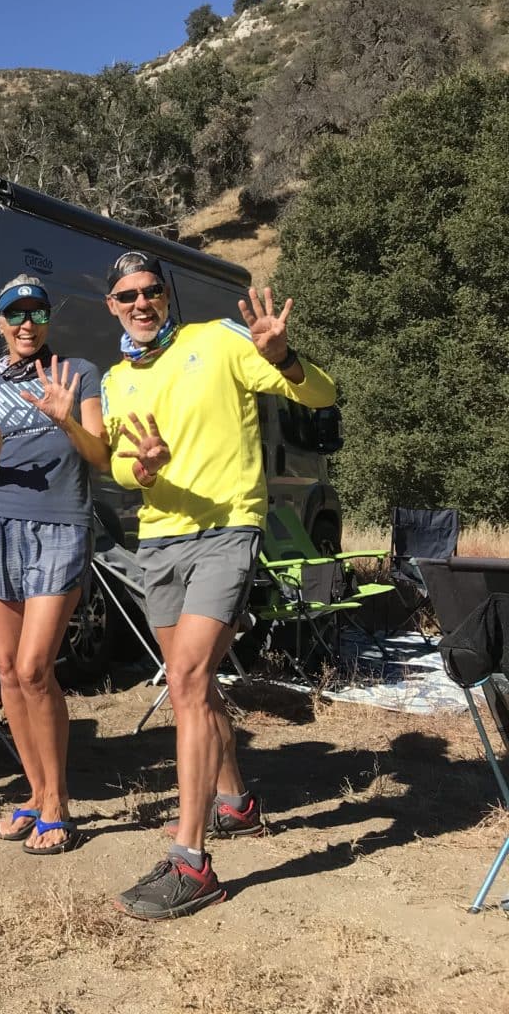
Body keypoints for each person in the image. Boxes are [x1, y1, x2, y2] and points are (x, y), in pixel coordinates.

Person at [98, 251, 336, 920]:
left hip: (228, 530)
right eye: (127, 295)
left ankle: (191, 861)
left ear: (165, 295)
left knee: (188, 679)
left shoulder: (219, 340)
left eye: (151, 290)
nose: (141, 303)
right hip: (159, 540)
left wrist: (284, 357)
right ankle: (236, 803)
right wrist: (143, 469)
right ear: (112, 306)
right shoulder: (116, 380)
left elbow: (319, 394)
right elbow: (119, 466)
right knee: (192, 688)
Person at [0, 275, 108, 854]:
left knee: (33, 669)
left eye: (37, 313)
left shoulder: (78, 374)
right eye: (16, 314)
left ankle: (58, 803)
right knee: (5, 671)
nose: (27, 324)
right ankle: (35, 790)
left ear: (49, 319)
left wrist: (67, 419)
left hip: (61, 527)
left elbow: (101, 454)